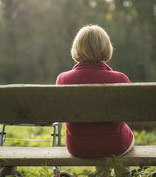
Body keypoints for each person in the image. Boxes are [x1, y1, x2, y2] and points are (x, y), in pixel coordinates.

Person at [56, 25, 134, 177]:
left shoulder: (63, 79)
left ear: (76, 49)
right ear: (106, 48)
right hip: (115, 145)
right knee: (119, 136)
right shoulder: (120, 79)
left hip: (78, 146)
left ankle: (103, 174)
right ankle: (123, 174)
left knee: (98, 136)